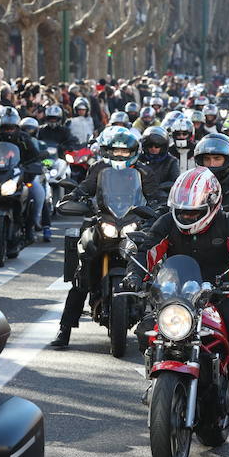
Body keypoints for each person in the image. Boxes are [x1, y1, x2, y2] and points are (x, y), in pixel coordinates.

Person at [122, 167, 229, 416]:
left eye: (193, 213)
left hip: (218, 294)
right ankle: (157, 378)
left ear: (213, 205)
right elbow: (147, 250)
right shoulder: (166, 223)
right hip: (175, 294)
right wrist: (134, 274)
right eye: (182, 212)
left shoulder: (228, 222)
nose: (186, 217)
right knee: (146, 330)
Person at [51, 126, 160, 347]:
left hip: (132, 221)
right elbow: (86, 187)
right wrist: (74, 195)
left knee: (155, 267)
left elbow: (154, 195)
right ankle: (64, 330)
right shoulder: (99, 168)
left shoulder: (144, 172)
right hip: (103, 220)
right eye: (115, 151)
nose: (120, 155)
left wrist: (159, 207)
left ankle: (161, 328)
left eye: (125, 152)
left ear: (133, 152)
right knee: (81, 275)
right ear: (107, 151)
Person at [0, 107, 46, 241]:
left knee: (38, 193)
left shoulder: (24, 139)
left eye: (12, 128)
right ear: (0, 128)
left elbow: (35, 156)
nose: (9, 131)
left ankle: (32, 224)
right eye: (6, 128)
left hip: (21, 176)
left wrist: (32, 166)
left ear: (17, 127)